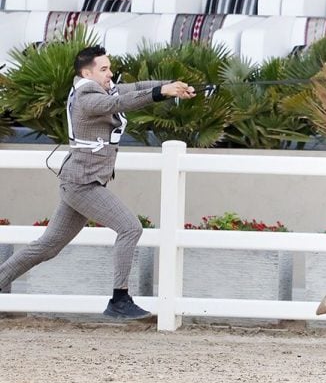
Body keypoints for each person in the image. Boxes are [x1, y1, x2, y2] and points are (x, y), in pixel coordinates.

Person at [0, 46, 196, 319]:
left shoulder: (101, 88)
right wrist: (160, 93)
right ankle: (119, 299)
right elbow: (118, 104)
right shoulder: (86, 98)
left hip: (82, 182)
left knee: (47, 247)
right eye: (104, 69)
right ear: (86, 73)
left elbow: (132, 88)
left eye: (109, 68)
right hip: (83, 185)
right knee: (130, 228)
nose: (110, 74)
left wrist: (170, 86)